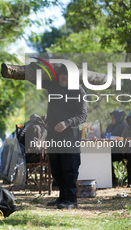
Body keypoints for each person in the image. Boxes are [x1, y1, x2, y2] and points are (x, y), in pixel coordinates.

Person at [41, 64, 87, 209]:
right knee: (56, 168)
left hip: (70, 136)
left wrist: (67, 122)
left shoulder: (79, 91)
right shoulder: (52, 87)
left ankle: (71, 200)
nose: (64, 77)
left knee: (69, 168)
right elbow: (33, 77)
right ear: (57, 75)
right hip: (53, 136)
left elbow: (83, 115)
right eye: (61, 74)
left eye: (67, 74)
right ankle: (62, 198)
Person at [106, 110, 128, 186]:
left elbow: (110, 135)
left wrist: (110, 126)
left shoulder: (122, 126)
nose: (111, 120)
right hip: (117, 150)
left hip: (122, 151)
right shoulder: (115, 125)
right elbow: (107, 134)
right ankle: (112, 179)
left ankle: (113, 180)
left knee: (106, 158)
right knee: (106, 156)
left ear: (118, 118)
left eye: (113, 118)